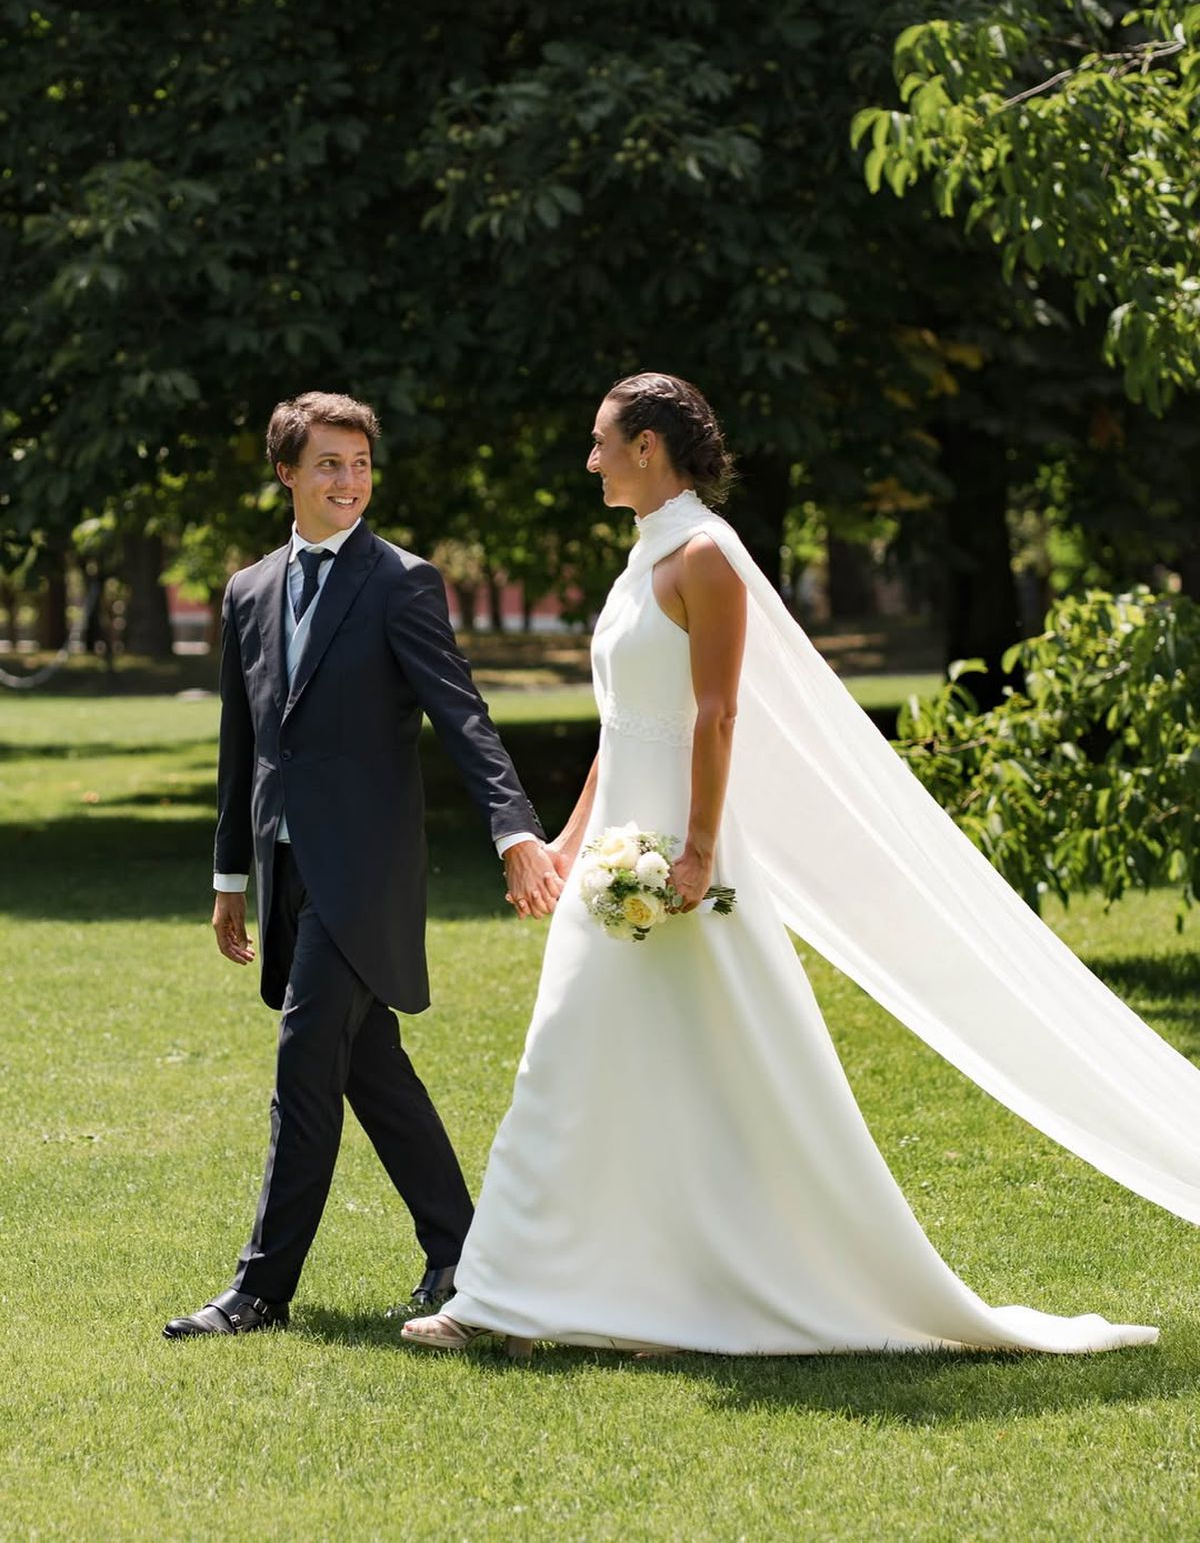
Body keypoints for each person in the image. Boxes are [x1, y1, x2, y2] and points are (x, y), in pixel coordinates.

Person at [403, 371, 1200, 1358]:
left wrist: (697, 852)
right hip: (616, 856)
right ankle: (535, 1295)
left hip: (681, 861)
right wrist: (570, 842)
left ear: (648, 447)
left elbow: (717, 715)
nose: (591, 457)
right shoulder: (640, 557)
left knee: (692, 1070)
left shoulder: (705, 557)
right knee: (581, 1064)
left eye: (603, 440)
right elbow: (623, 724)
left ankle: (525, 1299)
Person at [164, 391, 563, 1340]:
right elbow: (241, 744)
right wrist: (230, 878)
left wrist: (512, 830)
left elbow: (461, 713)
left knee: (305, 1060)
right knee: (368, 1065)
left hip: (367, 872)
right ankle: (462, 1250)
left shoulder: (401, 582)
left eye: (361, 464)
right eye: (330, 464)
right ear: (287, 473)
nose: (349, 481)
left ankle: (259, 1291)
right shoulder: (248, 590)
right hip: (284, 866)